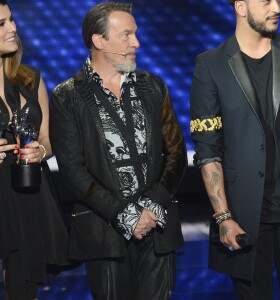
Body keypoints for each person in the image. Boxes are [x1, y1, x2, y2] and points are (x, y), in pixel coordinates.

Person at [50, 2, 187, 300]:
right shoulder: (67, 96)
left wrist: (152, 206)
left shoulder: (152, 86)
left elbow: (176, 151)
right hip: (105, 232)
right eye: (126, 35)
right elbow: (73, 170)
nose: (136, 42)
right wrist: (126, 216)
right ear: (99, 41)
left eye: (135, 34)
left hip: (157, 227)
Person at [190, 0, 280, 299]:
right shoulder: (211, 65)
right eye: (265, 1)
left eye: (278, 0)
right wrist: (224, 217)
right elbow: (207, 148)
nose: (277, 7)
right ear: (240, 6)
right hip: (245, 216)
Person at [0, 1, 69, 299]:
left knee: (23, 285)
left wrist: (41, 150)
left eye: (11, 20)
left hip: (27, 190)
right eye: (1, 24)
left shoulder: (30, 78)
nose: (13, 28)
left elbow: (48, 138)